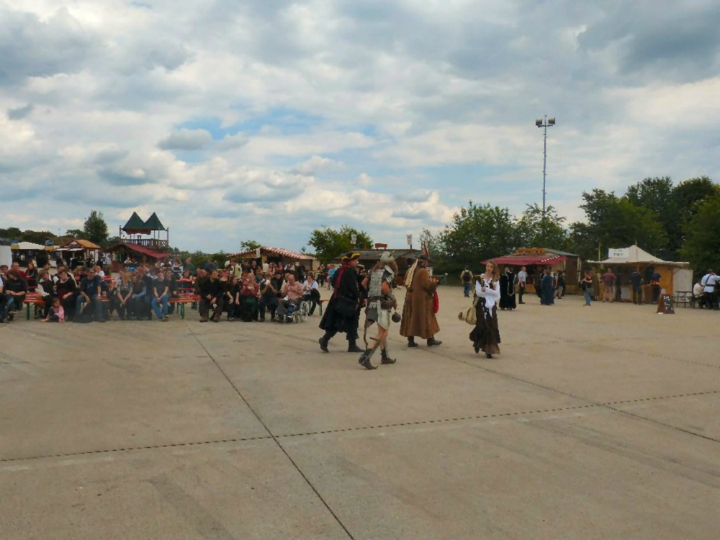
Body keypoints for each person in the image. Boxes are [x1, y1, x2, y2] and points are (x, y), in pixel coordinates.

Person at [357, 251, 399, 370]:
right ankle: (365, 357)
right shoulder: (389, 272)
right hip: (382, 304)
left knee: (383, 331)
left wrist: (370, 294)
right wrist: (393, 298)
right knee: (382, 332)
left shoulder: (373, 271)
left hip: (372, 303)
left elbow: (364, 283)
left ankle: (384, 356)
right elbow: (384, 287)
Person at [319, 253, 364, 353]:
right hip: (348, 301)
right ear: (351, 261)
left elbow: (333, 282)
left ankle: (326, 340)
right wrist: (360, 298)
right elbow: (353, 287)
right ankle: (350, 345)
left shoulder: (339, 270)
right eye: (355, 260)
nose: (356, 263)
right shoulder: (350, 271)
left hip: (337, 299)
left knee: (338, 322)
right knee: (349, 321)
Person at [399, 255, 441, 347]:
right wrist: (435, 283)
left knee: (411, 317)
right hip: (422, 299)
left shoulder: (409, 271)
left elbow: (405, 283)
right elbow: (427, 285)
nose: (427, 264)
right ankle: (430, 339)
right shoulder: (423, 271)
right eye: (427, 262)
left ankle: (411, 340)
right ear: (423, 262)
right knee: (426, 318)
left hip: (410, 297)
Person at [470, 261, 501, 358]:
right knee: (482, 325)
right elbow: (479, 292)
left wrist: (487, 290)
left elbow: (497, 294)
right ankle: (478, 342)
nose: (488, 268)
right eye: (487, 266)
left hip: (491, 305)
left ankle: (489, 350)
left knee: (492, 325)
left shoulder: (495, 280)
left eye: (491, 266)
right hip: (481, 304)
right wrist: (490, 292)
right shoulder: (480, 278)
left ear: (493, 268)